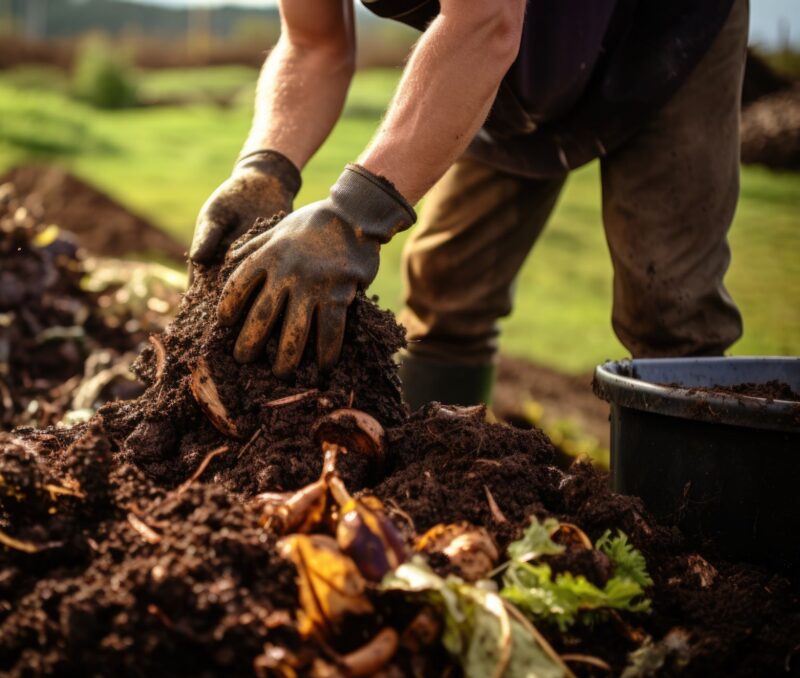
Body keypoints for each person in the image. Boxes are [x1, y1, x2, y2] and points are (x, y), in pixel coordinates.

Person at [189, 0, 748, 408]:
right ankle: (440, 478)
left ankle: (690, 545)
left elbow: (485, 22)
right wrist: (266, 167)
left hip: (663, 31)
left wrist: (352, 218)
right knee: (448, 284)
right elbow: (314, 43)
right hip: (513, 65)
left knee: (671, 307)